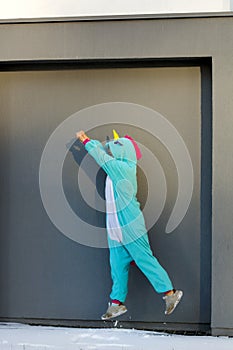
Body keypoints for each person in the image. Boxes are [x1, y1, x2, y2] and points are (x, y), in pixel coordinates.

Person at [76, 129, 183, 320]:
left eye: (115, 148)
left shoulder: (123, 168)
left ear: (123, 151)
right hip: (115, 228)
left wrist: (86, 141)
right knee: (117, 265)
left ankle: (170, 293)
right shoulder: (118, 167)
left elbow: (101, 157)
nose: (110, 151)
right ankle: (117, 303)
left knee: (145, 260)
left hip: (131, 227)